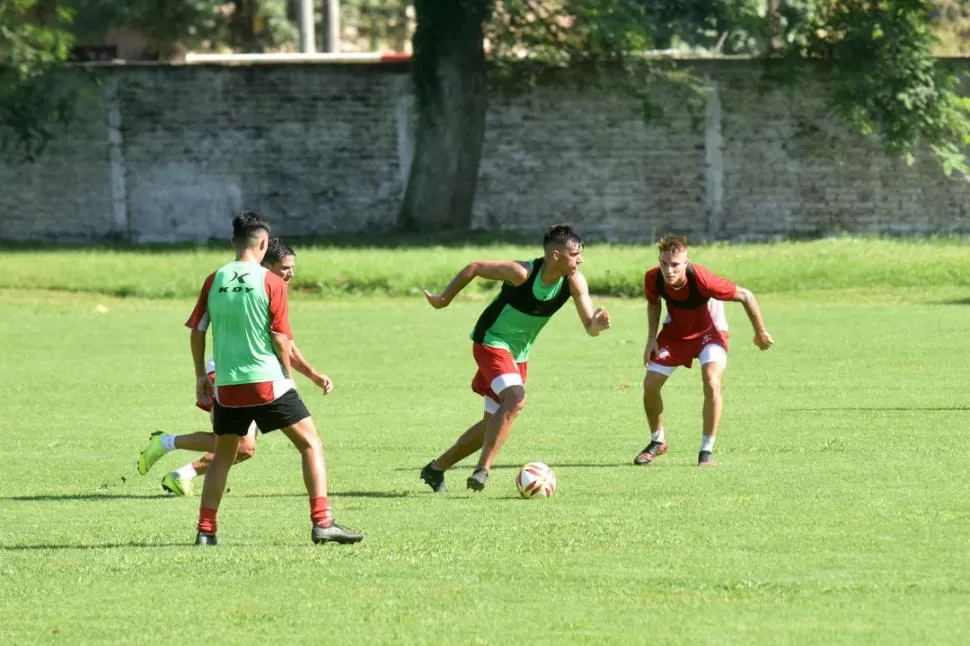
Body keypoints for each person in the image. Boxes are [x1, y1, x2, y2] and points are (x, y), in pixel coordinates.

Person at [184, 212, 361, 545]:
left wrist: (200, 377)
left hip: (227, 387)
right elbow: (281, 339)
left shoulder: (214, 279)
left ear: (233, 242)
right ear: (264, 244)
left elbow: (197, 332)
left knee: (223, 456)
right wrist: (290, 378)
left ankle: (206, 531)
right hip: (267, 382)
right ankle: (322, 522)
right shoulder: (272, 282)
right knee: (311, 445)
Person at [419, 224, 612, 493]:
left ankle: (435, 469)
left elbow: (590, 327)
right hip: (491, 342)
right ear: (556, 255)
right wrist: (443, 299)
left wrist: (597, 325)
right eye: (575, 253)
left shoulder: (574, 281)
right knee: (516, 399)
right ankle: (483, 470)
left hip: (518, 354)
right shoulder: (521, 272)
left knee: (492, 423)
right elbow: (474, 267)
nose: (580, 259)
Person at [136, 238, 334, 496]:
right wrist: (291, 378)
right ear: (267, 263)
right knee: (243, 444)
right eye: (285, 267)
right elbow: (278, 341)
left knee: (243, 448)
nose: (291, 274)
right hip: (228, 373)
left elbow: (285, 343)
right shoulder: (247, 286)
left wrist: (312, 375)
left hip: (259, 375)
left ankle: (179, 473)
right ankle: (165, 444)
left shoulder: (269, 288)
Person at [635, 234, 773, 467]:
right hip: (676, 335)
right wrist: (651, 339)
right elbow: (653, 302)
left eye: (675, 265)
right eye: (664, 264)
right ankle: (657, 441)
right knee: (649, 385)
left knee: (711, 382)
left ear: (686, 263)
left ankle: (706, 450)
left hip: (710, 333)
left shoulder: (703, 280)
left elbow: (746, 295)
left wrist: (760, 332)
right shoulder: (653, 278)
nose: (669, 270)